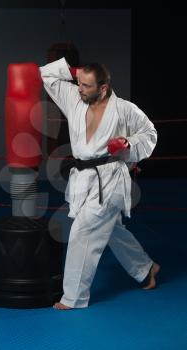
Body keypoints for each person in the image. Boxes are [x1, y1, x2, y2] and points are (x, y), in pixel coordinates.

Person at [39, 57, 160, 310]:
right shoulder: (74, 97)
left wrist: (128, 145)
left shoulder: (125, 109)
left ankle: (73, 297)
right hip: (84, 178)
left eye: (86, 85)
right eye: (78, 82)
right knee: (111, 231)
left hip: (110, 179)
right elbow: (47, 75)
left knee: (84, 230)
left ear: (103, 88)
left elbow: (150, 133)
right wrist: (73, 70)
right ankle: (146, 268)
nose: (79, 88)